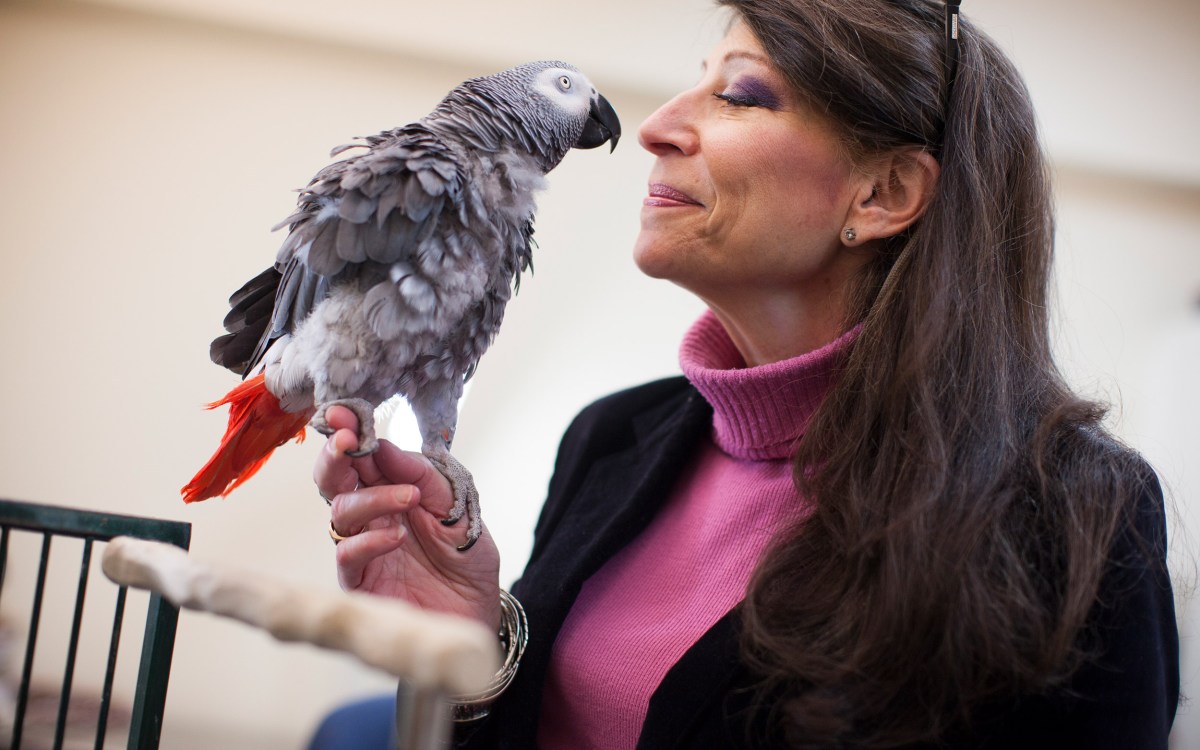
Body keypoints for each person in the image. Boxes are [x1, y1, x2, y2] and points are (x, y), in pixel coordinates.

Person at [310, 0, 1179, 747]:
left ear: (881, 196)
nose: (654, 126)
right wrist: (474, 647)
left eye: (738, 94)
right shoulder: (610, 438)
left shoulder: (1075, 514)